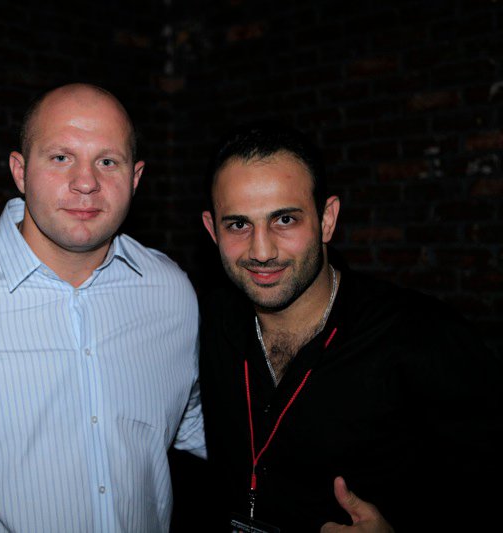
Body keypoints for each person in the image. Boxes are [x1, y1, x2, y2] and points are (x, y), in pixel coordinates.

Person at [0, 82, 205, 532]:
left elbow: (203, 431)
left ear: (135, 178)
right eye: (61, 157)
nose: (86, 182)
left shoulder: (170, 293)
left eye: (108, 161)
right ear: (20, 170)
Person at [198, 121, 502, 532]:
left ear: (327, 219)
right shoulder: (204, 325)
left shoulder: (421, 338)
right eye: (238, 225)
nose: (262, 250)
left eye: (284, 220)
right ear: (212, 230)